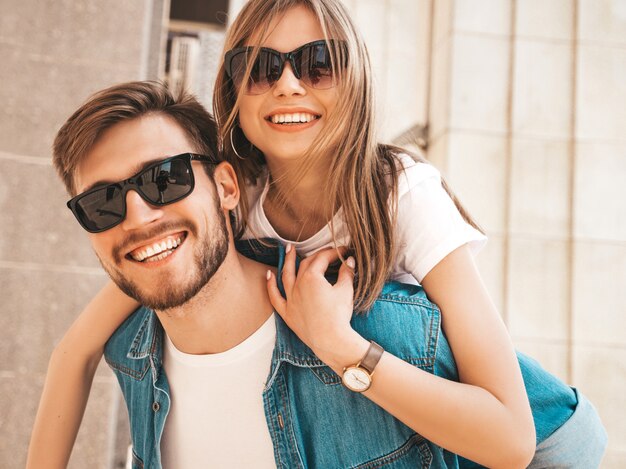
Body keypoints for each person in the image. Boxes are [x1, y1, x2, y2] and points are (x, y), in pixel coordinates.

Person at [27, 1, 606, 468]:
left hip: (544, 439)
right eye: (259, 67)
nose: (287, 85)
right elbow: (74, 350)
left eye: (318, 63)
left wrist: (339, 346)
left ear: (354, 81)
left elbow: (511, 437)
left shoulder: (399, 192)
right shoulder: (229, 200)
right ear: (233, 90)